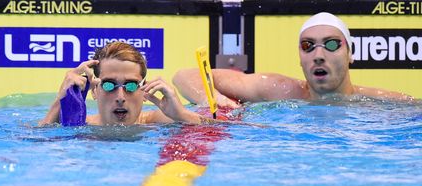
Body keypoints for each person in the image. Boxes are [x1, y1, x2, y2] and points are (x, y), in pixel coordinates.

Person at [173, 12, 414, 108]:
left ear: (350, 54)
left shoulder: (382, 103)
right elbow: (184, 76)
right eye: (308, 46)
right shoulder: (280, 90)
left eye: (331, 44)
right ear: (300, 58)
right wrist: (212, 98)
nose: (318, 55)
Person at [39, 41, 206, 126]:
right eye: (109, 85)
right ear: (94, 91)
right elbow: (37, 143)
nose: (120, 97)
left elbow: (224, 129)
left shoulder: (158, 121)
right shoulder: (82, 125)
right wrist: (60, 100)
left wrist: (182, 115)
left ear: (145, 89)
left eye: (131, 86)